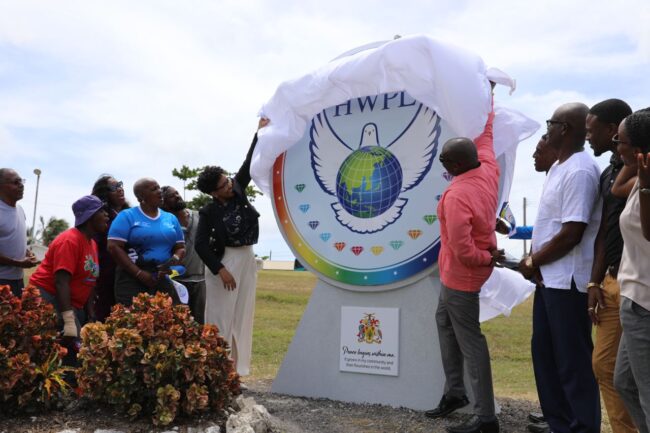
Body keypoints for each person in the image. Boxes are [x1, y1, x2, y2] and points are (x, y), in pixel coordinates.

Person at [518, 103, 601, 433]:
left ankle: (580, 426)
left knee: (572, 363)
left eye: (550, 124)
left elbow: (572, 233)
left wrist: (533, 259)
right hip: (549, 280)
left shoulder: (579, 170)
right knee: (547, 357)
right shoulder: (559, 167)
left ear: (564, 128)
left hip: (567, 282)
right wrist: (537, 265)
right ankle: (560, 423)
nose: (546, 130)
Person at [425, 106, 503, 433]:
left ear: (455, 165)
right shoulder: (486, 168)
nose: (441, 165)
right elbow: (485, 137)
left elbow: (464, 251)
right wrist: (487, 100)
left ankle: (486, 419)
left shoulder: (456, 195)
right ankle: (455, 392)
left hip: (463, 277)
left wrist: (489, 259)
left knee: (471, 344)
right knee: (444, 321)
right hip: (454, 275)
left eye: (443, 161)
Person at [195, 117, 268, 376]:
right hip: (224, 263)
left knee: (242, 315)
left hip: (247, 258)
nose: (229, 185)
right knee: (220, 317)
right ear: (213, 193)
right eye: (223, 185)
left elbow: (248, 163)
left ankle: (236, 371)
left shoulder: (238, 190)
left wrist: (258, 133)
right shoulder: (208, 211)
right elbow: (200, 244)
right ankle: (216, 370)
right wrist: (220, 270)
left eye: (228, 180)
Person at [584, 99, 636, 433]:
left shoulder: (639, 172)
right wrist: (594, 283)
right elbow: (604, 230)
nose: (589, 137)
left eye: (592, 130)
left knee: (635, 375)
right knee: (604, 366)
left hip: (638, 286)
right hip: (612, 281)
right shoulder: (608, 173)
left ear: (612, 129)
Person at [612, 110, 650, 432]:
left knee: (649, 395)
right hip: (634, 299)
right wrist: (636, 159)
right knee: (624, 383)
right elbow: (616, 188)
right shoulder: (640, 178)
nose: (614, 146)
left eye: (619, 141)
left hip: (646, 305)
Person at [28, 195, 108, 337]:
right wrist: (69, 320)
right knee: (68, 347)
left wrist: (90, 313)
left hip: (70, 302)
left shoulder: (92, 243)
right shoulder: (69, 241)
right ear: (90, 216)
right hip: (48, 297)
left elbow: (89, 280)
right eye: (101, 211)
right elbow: (61, 282)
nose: (106, 215)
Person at [107, 178, 185, 306]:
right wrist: (139, 274)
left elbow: (180, 247)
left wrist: (172, 262)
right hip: (132, 278)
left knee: (167, 321)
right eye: (154, 189)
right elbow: (113, 247)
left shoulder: (170, 218)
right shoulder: (127, 216)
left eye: (159, 187)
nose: (159, 191)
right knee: (134, 322)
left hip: (161, 276)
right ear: (140, 197)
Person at [161, 185, 206, 323]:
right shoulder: (165, 223)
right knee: (179, 324)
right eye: (172, 196)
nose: (177, 196)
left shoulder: (199, 216)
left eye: (177, 193)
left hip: (200, 280)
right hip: (177, 282)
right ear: (164, 203)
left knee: (200, 324)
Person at [91, 175, 129, 321]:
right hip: (107, 278)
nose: (120, 189)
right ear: (104, 193)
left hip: (129, 276)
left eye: (120, 184)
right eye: (114, 188)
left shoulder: (129, 215)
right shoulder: (101, 218)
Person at [0, 168, 39, 297]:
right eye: (16, 182)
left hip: (17, 280)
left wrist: (27, 252)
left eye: (21, 181)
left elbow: (14, 239)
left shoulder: (20, 210)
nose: (21, 185)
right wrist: (19, 263)